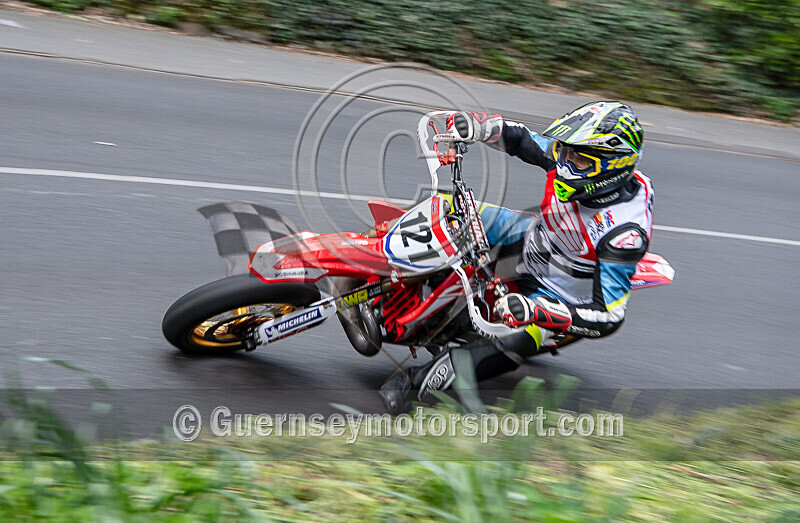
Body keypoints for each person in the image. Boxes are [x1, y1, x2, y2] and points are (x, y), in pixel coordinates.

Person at [380, 101, 654, 414]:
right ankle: (377, 256)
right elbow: (523, 139)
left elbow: (609, 317)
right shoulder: (572, 161)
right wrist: (481, 128)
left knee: (515, 343)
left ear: (610, 168)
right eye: (564, 152)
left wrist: (539, 310)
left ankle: (413, 385)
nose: (563, 164)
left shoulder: (624, 234)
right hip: (532, 237)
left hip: (555, 292)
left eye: (576, 159)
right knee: (445, 208)